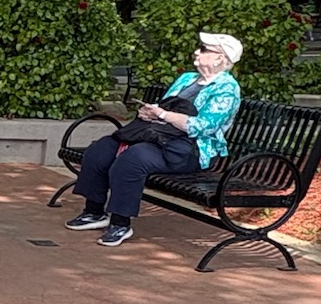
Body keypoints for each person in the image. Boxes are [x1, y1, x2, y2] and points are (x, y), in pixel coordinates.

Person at [66, 32, 244, 246]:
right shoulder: (187, 78)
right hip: (160, 137)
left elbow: (203, 126)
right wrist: (149, 112)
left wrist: (162, 114)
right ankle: (94, 212)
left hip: (192, 149)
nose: (197, 51)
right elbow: (165, 107)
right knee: (101, 150)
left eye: (204, 49)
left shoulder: (227, 89)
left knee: (133, 159)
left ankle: (120, 223)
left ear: (220, 58)